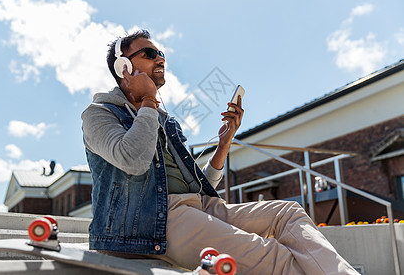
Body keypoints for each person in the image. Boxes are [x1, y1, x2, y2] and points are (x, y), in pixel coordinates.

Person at [81, 30, 359, 275]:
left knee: (288, 213)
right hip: (154, 219)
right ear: (123, 66)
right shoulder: (99, 114)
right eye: (150, 53)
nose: (161, 59)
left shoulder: (161, 119)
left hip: (194, 207)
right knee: (274, 257)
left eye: (161, 53)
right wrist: (149, 101)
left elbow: (200, 188)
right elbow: (133, 160)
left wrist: (224, 144)